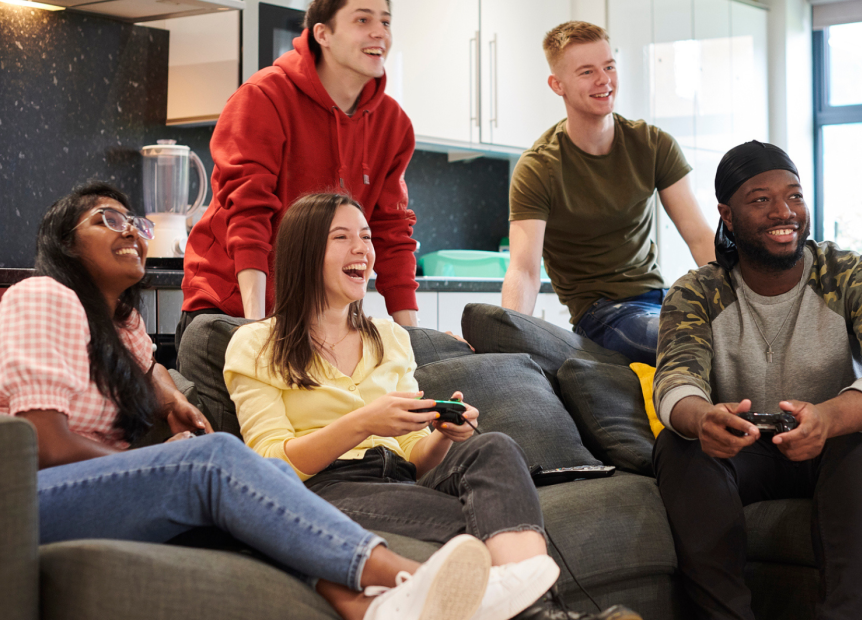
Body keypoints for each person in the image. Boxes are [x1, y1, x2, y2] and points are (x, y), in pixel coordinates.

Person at [0, 182, 500, 620]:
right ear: (65, 243)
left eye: (137, 223)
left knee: (269, 489)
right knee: (218, 458)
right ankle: (410, 577)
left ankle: (368, 607)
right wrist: (160, 462)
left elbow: (147, 371)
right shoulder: (44, 294)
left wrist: (171, 396)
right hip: (24, 497)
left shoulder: (121, 326)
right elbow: (41, 444)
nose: (131, 231)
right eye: (108, 219)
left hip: (90, 492)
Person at [224, 193, 640, 620]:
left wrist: (440, 434)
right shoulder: (257, 344)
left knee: (492, 446)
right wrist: (364, 422)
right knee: (486, 526)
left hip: (403, 479)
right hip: (327, 489)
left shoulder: (390, 338)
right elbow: (269, 466)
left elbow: (416, 458)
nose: (361, 249)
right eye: (342, 237)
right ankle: (552, 616)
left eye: (366, 237)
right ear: (305, 252)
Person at [651, 141, 862, 620]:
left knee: (858, 439)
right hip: (756, 448)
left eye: (795, 196)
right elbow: (676, 379)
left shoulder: (853, 274)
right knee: (680, 446)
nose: (785, 212)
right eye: (761, 199)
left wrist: (829, 417)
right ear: (728, 215)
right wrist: (703, 419)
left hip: (856, 446)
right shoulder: (697, 292)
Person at [180, 0, 420, 348]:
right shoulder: (262, 97)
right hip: (232, 312)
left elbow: (391, 231)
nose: (380, 32)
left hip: (318, 321)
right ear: (323, 34)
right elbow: (248, 214)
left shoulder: (393, 124)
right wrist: (255, 332)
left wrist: (412, 339)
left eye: (385, 21)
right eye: (363, 19)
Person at [502, 21, 715, 365]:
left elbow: (700, 237)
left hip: (662, 299)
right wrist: (507, 341)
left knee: (730, 338)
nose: (604, 80)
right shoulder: (539, 167)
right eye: (587, 71)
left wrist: (744, 307)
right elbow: (524, 271)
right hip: (602, 314)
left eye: (609, 66)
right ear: (558, 85)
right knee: (684, 343)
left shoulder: (652, 144)